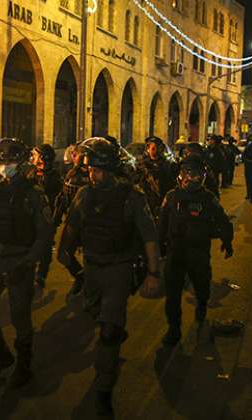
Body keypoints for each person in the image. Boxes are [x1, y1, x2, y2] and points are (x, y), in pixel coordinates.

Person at [57, 138, 161, 417]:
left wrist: (153, 272)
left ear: (113, 170)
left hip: (119, 268)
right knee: (97, 314)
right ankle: (111, 330)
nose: (94, 175)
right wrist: (67, 258)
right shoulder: (84, 195)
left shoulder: (132, 196)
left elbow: (149, 236)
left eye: (100, 170)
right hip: (92, 268)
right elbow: (71, 229)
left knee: (108, 330)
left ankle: (103, 389)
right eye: (91, 170)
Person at [0, 137, 54, 388]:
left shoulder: (34, 193)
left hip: (21, 259)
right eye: (1, 163)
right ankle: (0, 356)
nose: (5, 166)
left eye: (10, 161)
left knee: (19, 316)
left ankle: (24, 365)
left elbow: (45, 233)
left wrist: (29, 262)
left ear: (22, 162)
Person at [158, 159, 234, 345]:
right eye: (187, 174)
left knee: (202, 286)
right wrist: (158, 247)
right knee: (173, 295)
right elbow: (162, 223)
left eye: (195, 175)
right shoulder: (171, 197)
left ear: (202, 177)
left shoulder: (208, 199)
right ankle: (174, 328)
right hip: (175, 253)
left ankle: (201, 307)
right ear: (181, 175)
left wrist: (227, 241)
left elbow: (223, 221)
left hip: (198, 253)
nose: (190, 179)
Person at [54, 139, 91, 298]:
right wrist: (56, 219)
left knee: (91, 258)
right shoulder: (72, 173)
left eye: (76, 154)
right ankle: (80, 277)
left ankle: (91, 290)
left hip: (90, 223)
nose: (73, 156)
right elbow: (64, 197)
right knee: (63, 254)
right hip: (73, 221)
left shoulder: (92, 175)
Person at [26, 143, 63, 288]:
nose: (33, 158)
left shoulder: (54, 177)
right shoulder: (32, 173)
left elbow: (58, 199)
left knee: (45, 246)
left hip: (47, 217)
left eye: (35, 155)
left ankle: (41, 274)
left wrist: (55, 218)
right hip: (31, 216)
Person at [136, 136, 179, 218]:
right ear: (147, 150)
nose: (155, 150)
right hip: (147, 202)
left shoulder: (167, 165)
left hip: (162, 201)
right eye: (152, 148)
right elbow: (136, 182)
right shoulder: (142, 165)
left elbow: (171, 183)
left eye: (157, 148)